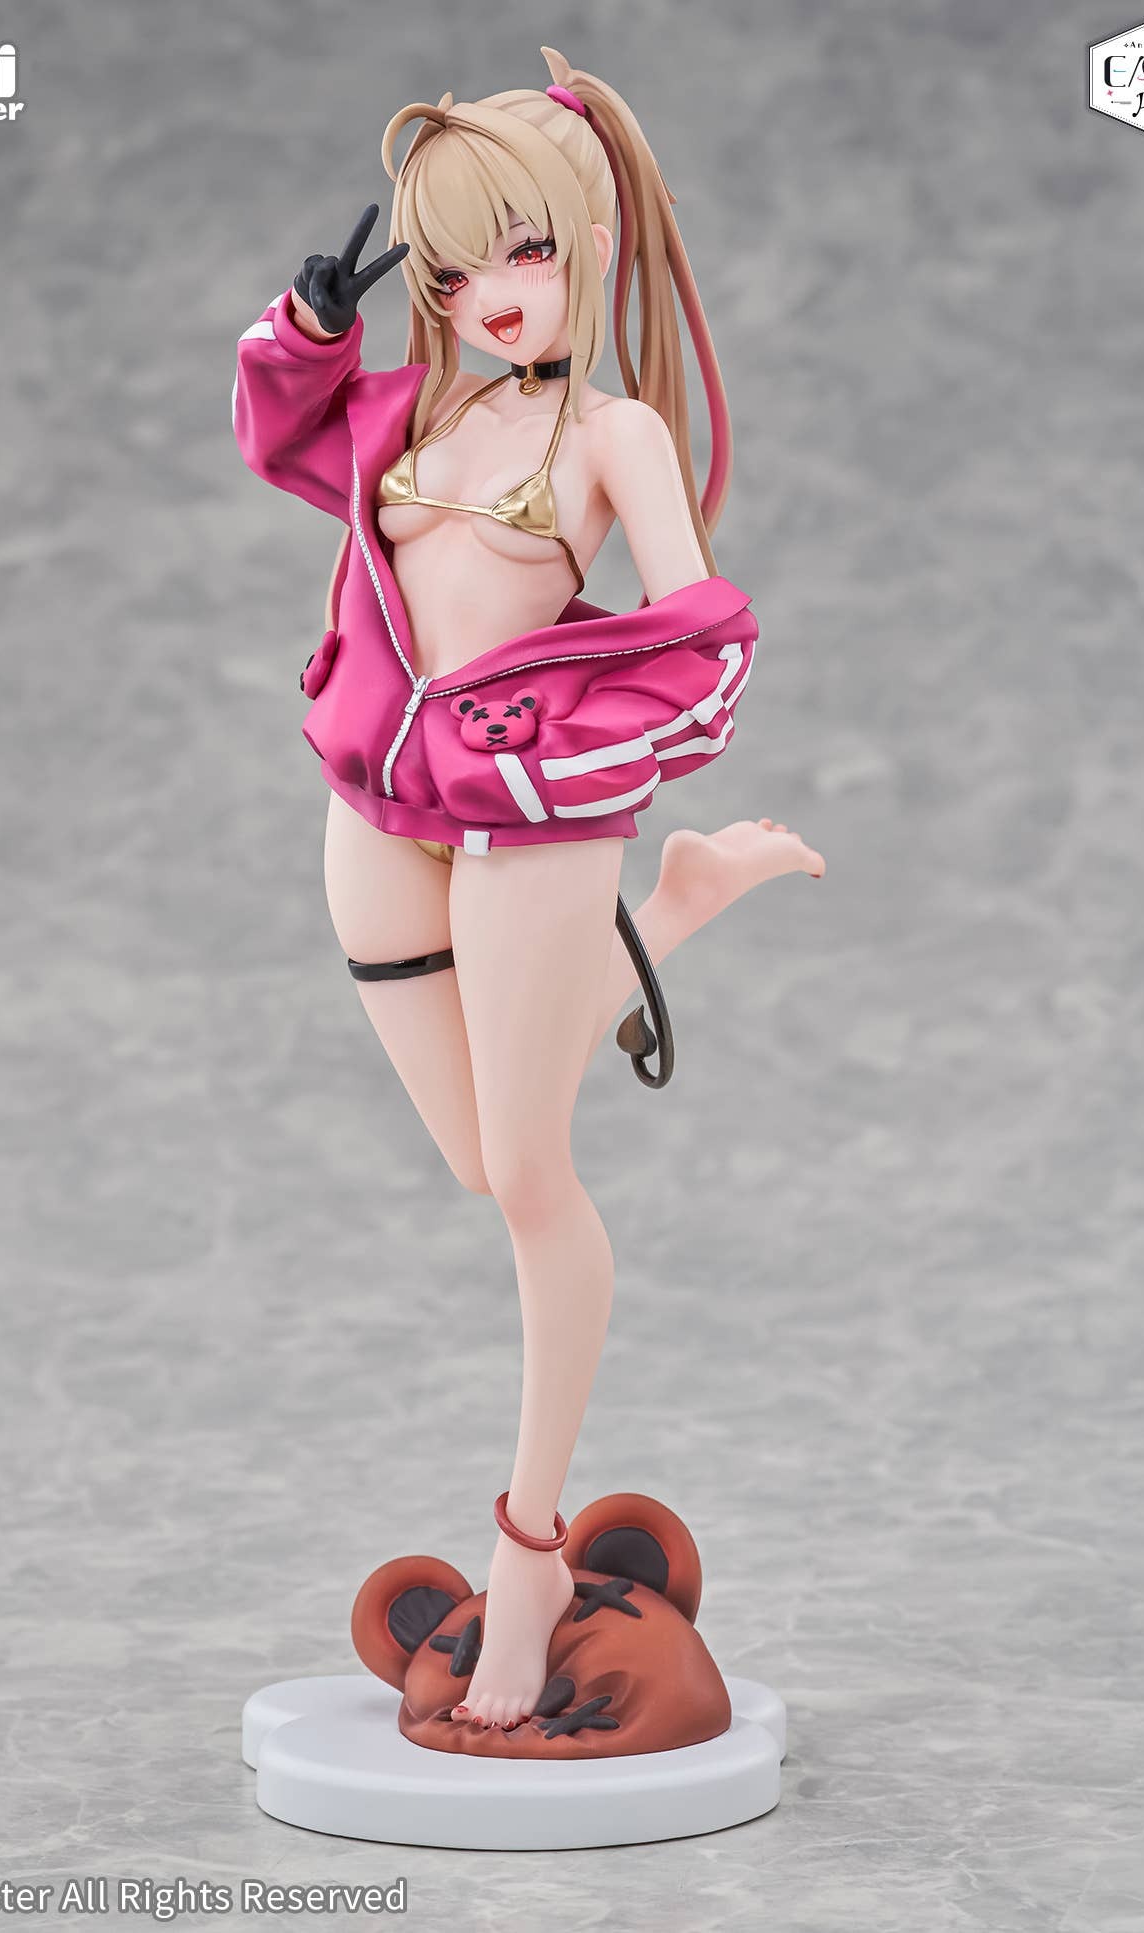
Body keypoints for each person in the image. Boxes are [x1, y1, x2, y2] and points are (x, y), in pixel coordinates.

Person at [234, 45, 824, 1737]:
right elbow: (283, 438)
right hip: (373, 806)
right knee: (476, 1154)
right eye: (453, 267)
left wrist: (554, 744)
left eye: (528, 249)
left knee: (535, 1180)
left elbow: (702, 643)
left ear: (590, 242)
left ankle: (533, 1544)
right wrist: (310, 325)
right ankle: (677, 912)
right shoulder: (412, 409)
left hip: (521, 818)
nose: (492, 293)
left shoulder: (612, 433)